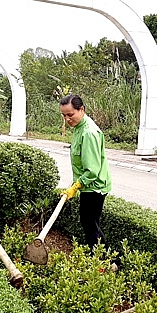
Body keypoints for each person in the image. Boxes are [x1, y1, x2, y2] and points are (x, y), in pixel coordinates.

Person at [59, 94, 112, 251]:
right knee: (89, 223)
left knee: (90, 224)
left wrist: (76, 186)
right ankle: (104, 259)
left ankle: (107, 261)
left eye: (70, 114)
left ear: (81, 109)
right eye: (64, 115)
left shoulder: (88, 133)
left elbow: (92, 170)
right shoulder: (78, 128)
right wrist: (75, 184)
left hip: (94, 186)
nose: (67, 119)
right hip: (87, 184)